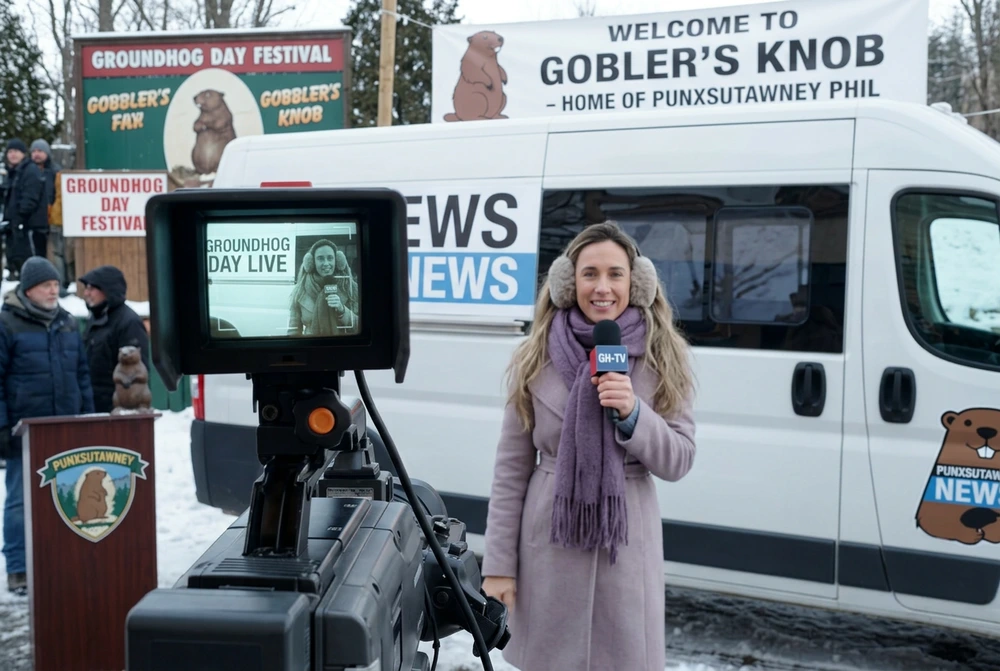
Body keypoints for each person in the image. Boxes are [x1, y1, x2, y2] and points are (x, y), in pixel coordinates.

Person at [481, 221, 697, 671]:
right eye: (589, 274)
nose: (602, 287)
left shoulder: (664, 355)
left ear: (636, 283)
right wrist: (499, 566)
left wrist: (634, 412)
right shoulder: (534, 355)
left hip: (626, 546)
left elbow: (679, 459)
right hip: (549, 542)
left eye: (615, 274)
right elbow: (510, 470)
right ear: (568, 282)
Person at [0, 257, 95, 594]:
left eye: (56, 284)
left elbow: (81, 375)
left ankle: (60, 560)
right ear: (28, 289)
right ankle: (18, 568)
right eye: (46, 285)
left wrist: (88, 419)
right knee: (19, 501)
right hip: (24, 431)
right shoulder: (7, 324)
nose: (54, 290)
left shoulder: (67, 323)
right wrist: (2, 429)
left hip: (65, 429)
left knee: (65, 497)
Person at [78, 265, 150, 413]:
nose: (86, 293)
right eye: (86, 288)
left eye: (91, 288)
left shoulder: (128, 322)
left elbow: (135, 370)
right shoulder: (96, 318)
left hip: (117, 410)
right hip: (94, 404)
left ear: (108, 290)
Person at [288, 239, 359, 336]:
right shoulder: (300, 291)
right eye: (320, 258)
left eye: (330, 258)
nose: (326, 263)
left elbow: (361, 326)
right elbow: (293, 332)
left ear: (337, 261)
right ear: (312, 262)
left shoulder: (351, 288)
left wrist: (342, 310)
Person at [1, 139, 46, 279]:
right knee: (17, 259)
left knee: (29, 262)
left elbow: (30, 198)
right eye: (10, 151)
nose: (12, 154)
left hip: (28, 225)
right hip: (15, 225)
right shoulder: (12, 172)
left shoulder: (30, 170)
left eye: (16, 151)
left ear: (23, 153)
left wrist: (19, 219)